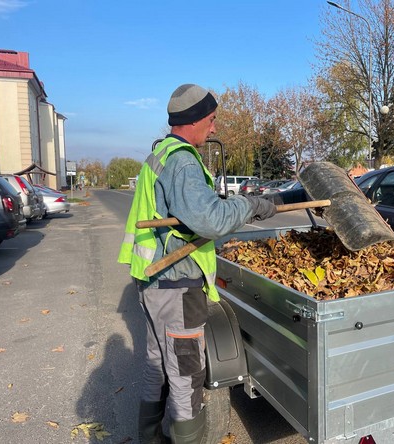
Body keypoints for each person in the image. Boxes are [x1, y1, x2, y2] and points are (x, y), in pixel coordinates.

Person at [118, 84, 277, 444]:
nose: (214, 127)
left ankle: (150, 437)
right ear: (193, 120)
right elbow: (211, 220)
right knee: (186, 374)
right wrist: (252, 205)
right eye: (211, 119)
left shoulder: (160, 154)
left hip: (154, 282)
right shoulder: (183, 161)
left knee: (158, 364)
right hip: (176, 286)